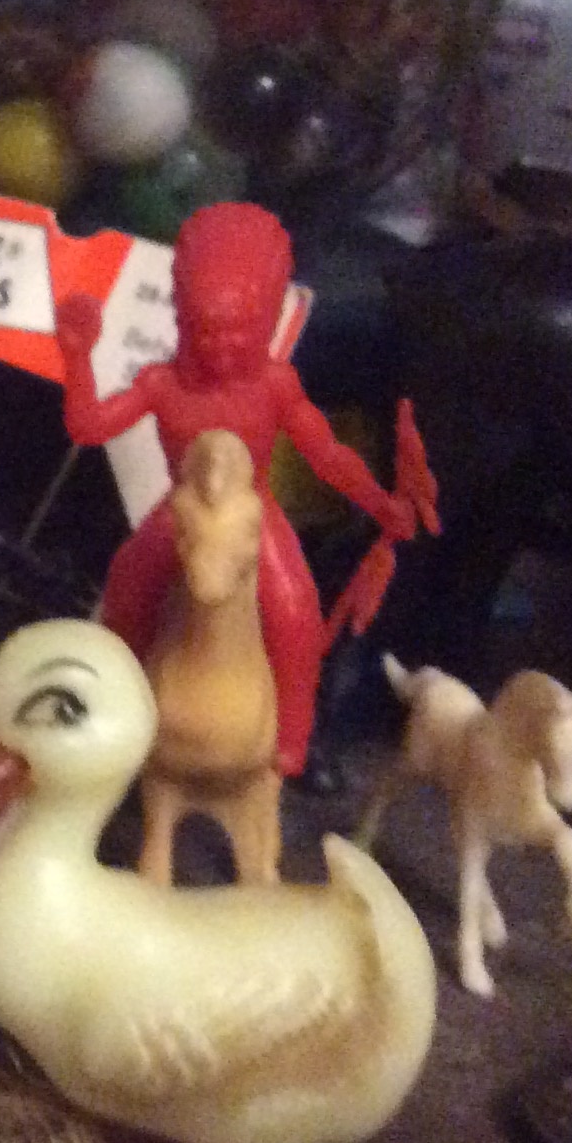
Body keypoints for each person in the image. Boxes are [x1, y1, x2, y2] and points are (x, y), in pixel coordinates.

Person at [54, 202, 417, 776]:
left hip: (255, 518)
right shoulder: (161, 383)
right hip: (177, 516)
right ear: (181, 320)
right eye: (207, 333)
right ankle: (114, 709)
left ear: (267, 323)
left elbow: (326, 454)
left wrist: (378, 502)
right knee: (127, 595)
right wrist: (78, 358)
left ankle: (292, 733)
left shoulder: (275, 386)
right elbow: (89, 427)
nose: (221, 350)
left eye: (239, 335)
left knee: (294, 612)